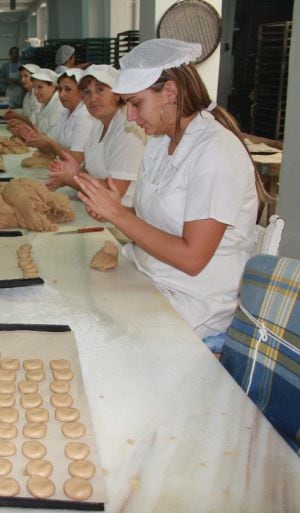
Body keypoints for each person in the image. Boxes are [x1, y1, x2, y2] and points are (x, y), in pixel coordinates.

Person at [71, 39, 260, 347]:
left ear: (170, 93)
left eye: (135, 103)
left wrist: (118, 214)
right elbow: (153, 223)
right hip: (149, 280)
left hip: (192, 307)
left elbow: (192, 258)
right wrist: (112, 211)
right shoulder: (160, 142)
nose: (130, 117)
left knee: (91, 339)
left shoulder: (215, 151)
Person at [47, 64, 146, 207]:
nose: (92, 98)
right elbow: (93, 172)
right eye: (87, 92)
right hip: (99, 207)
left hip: (123, 213)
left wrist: (72, 179)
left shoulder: (128, 129)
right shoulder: (98, 125)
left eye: (100, 90)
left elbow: (115, 189)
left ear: (117, 94)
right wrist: (75, 170)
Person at [16, 67, 99, 162]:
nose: (62, 94)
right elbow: (53, 150)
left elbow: (77, 158)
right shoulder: (65, 112)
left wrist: (50, 143)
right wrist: (36, 139)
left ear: (82, 92)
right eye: (60, 89)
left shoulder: (85, 116)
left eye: (68, 89)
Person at [3, 63, 41, 128]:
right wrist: (15, 112)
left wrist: (16, 115)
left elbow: (33, 121)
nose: (22, 80)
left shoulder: (38, 96)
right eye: (21, 77)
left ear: (34, 77)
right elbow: (26, 114)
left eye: (26, 76)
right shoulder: (27, 96)